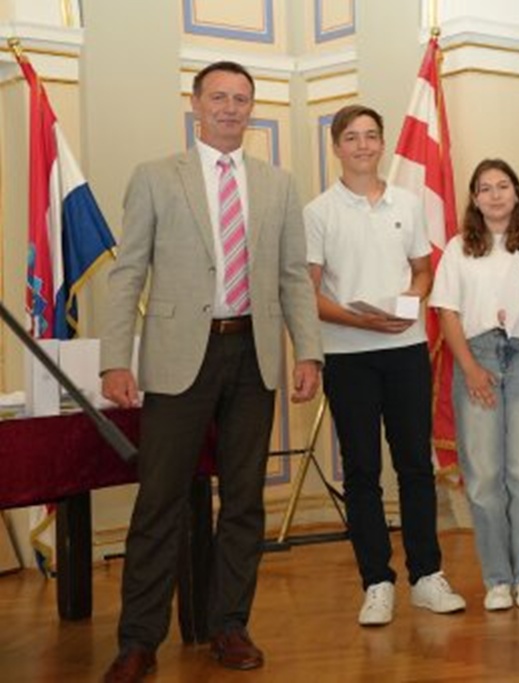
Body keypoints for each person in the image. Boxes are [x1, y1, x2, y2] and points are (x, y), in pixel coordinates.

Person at [98, 61, 322, 681]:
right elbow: (127, 274)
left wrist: (308, 351)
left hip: (253, 356)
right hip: (176, 359)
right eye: (219, 97)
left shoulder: (278, 184)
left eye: (242, 99)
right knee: (159, 502)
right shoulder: (154, 177)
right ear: (195, 104)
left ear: (253, 109)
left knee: (245, 500)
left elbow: (293, 279)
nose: (230, 108)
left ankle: (229, 625)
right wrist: (117, 358)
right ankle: (139, 640)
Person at [303, 104, 466, 626]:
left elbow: (423, 271)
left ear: (382, 143)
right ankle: (376, 582)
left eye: (372, 136)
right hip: (348, 357)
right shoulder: (318, 212)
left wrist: (410, 300)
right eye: (352, 137)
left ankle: (426, 577)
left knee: (416, 466)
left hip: (406, 350)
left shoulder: (408, 203)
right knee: (362, 473)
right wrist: (361, 321)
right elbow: (307, 294)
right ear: (337, 146)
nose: (364, 146)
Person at [429, 159, 519, 612]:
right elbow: (446, 312)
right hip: (476, 358)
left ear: (516, 192)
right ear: (474, 199)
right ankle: (497, 580)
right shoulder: (457, 249)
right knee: (484, 475)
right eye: (484, 188)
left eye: (502, 185)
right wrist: (468, 368)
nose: (494, 195)